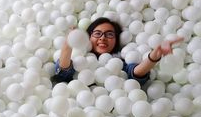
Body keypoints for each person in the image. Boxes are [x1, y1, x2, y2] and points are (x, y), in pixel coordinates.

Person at [53, 17, 183, 85]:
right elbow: (63, 73)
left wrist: (154, 56)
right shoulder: (79, 57)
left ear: (116, 41)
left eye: (109, 34)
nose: (103, 38)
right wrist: (69, 42)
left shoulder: (119, 60)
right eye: (97, 33)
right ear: (87, 37)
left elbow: (135, 74)